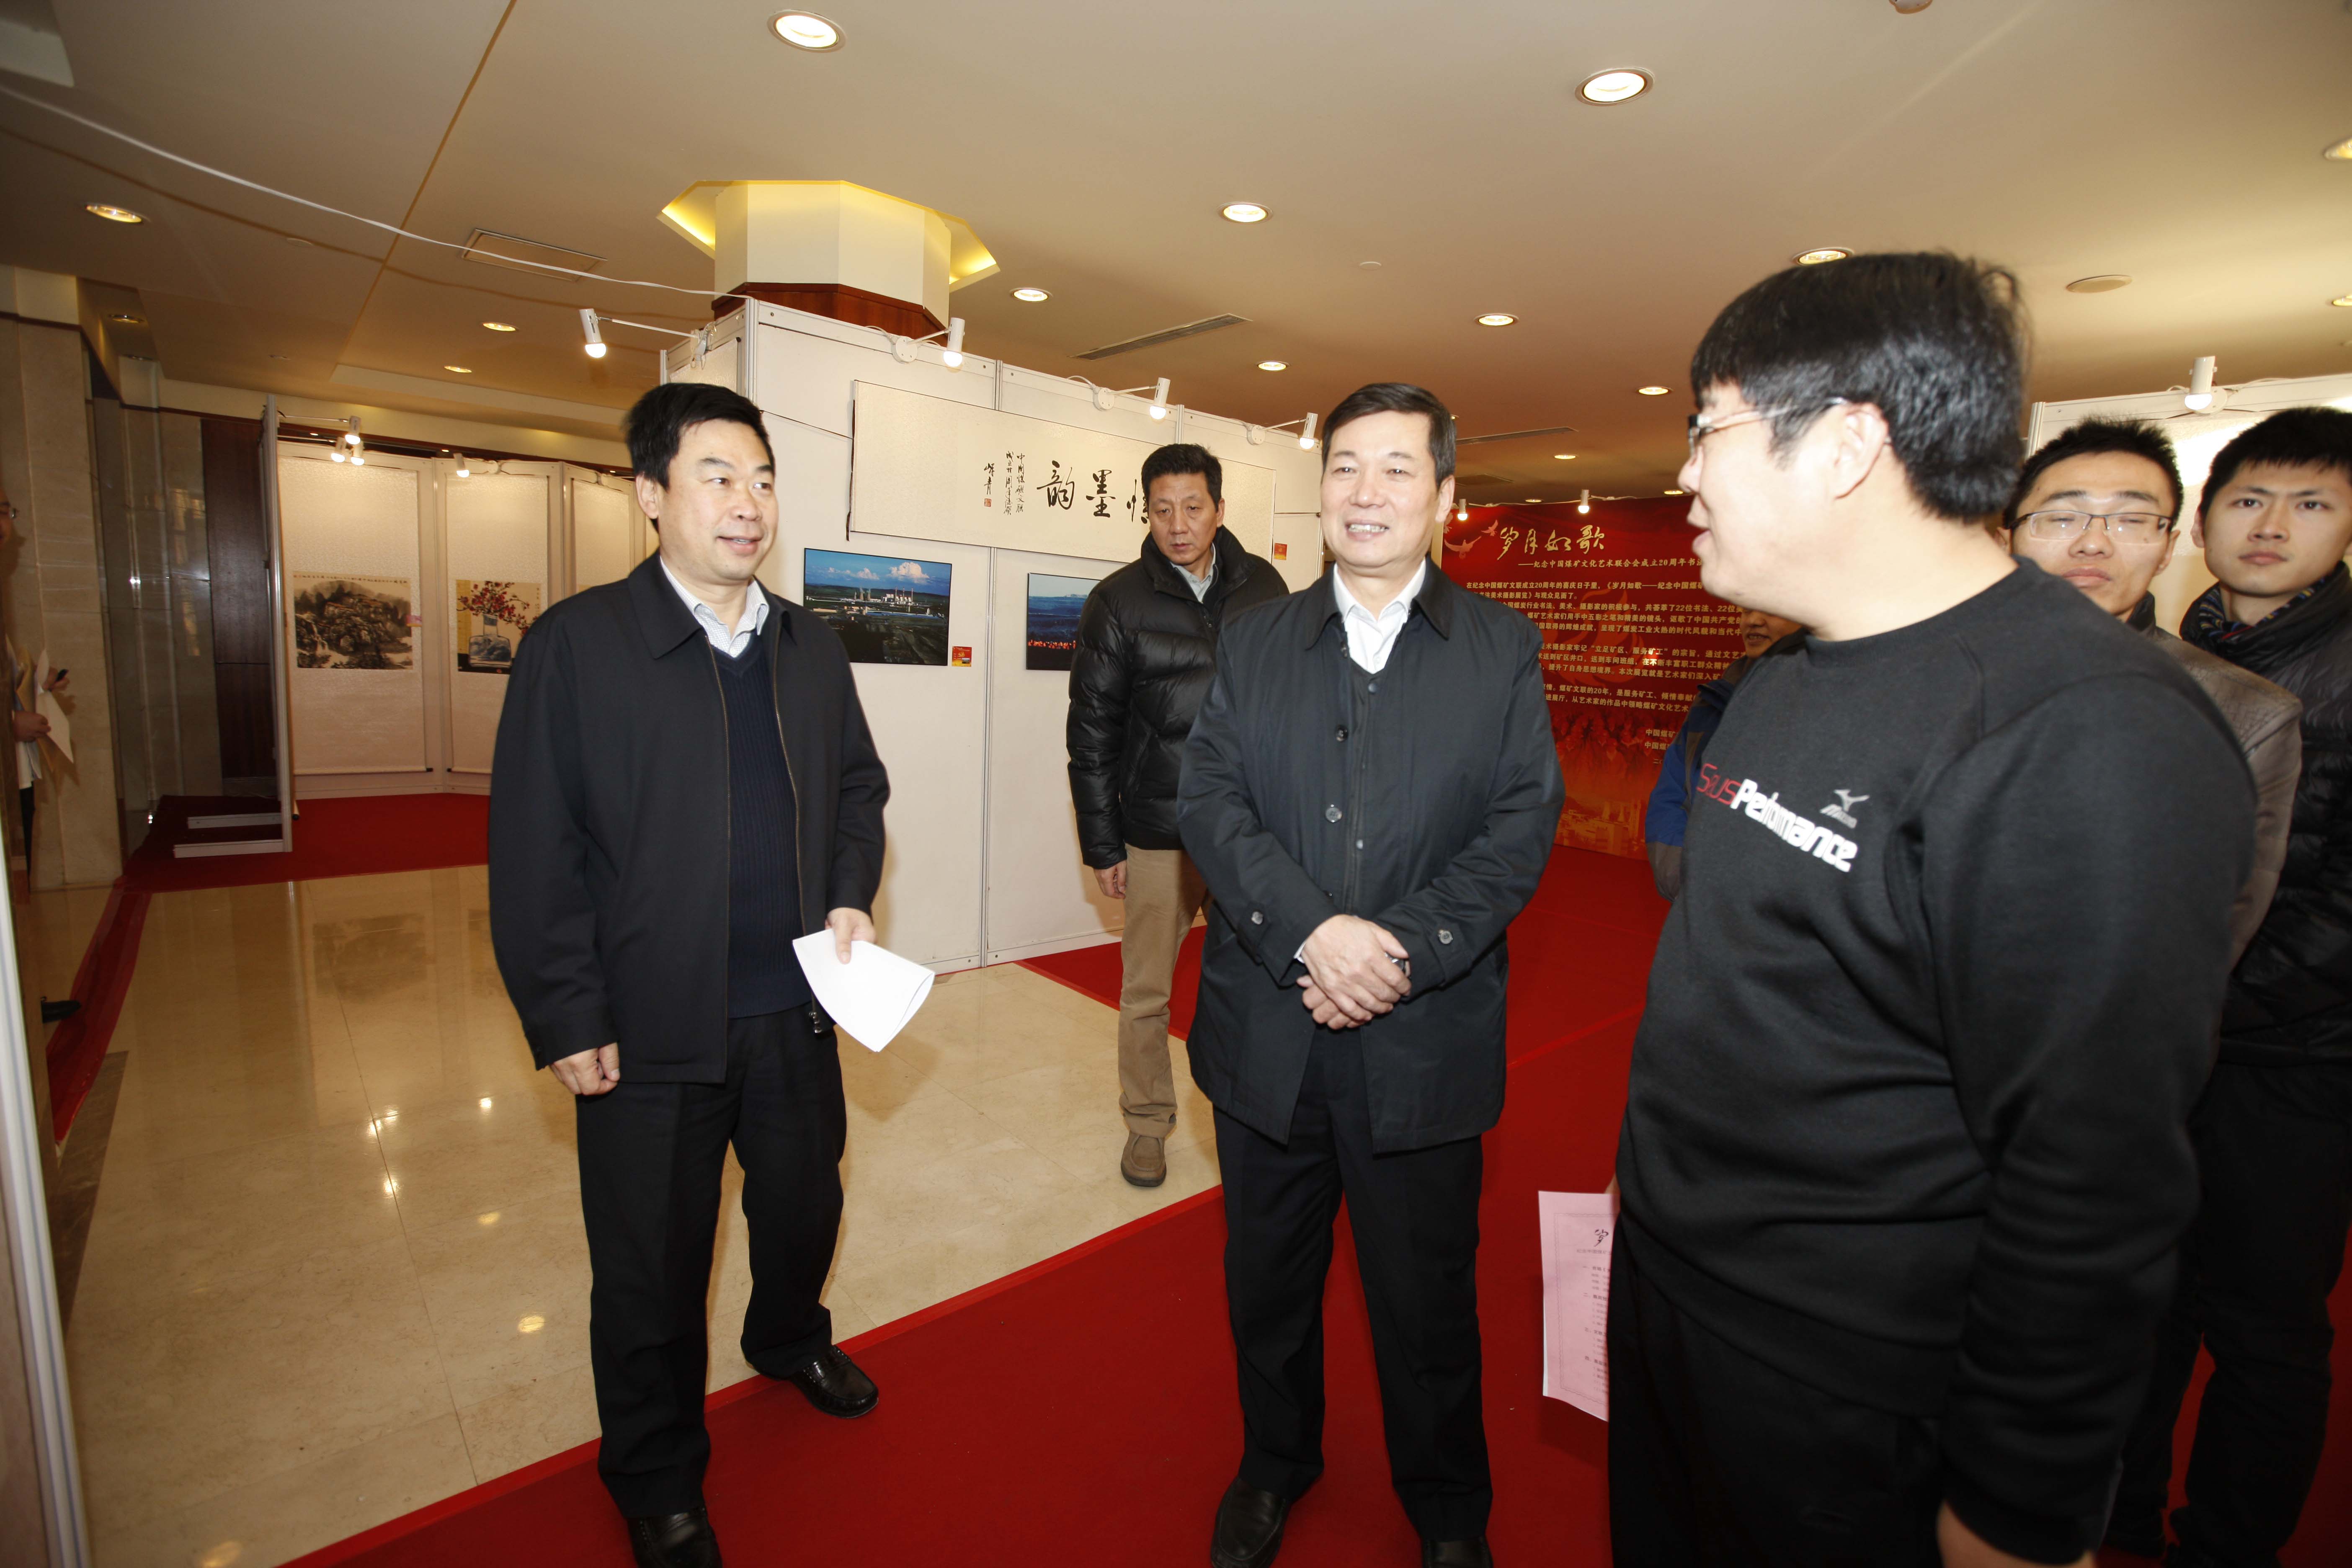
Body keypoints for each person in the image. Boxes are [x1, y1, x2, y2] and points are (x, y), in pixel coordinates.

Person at [1608, 253, 2254, 1568]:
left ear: (1847, 443)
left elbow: (2092, 1171)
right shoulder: (1782, 682)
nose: (1685, 474)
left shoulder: (2089, 732)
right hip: (1676, 1288)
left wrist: (2019, 1507)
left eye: (1709, 429)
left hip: (1854, 1374)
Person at [489, 381, 890, 1568]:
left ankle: (788, 1335)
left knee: (804, 1205)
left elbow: (857, 789)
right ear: (651, 494)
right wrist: (567, 1008)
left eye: (762, 479)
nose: (747, 502)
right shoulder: (578, 647)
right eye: (717, 476)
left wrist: (849, 891)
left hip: (794, 1009)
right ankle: (656, 1472)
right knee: (651, 1268)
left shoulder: (808, 645)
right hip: (648, 1027)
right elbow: (535, 845)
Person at [1179, 382, 1564, 1568]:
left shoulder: (1500, 648)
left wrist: (1395, 952)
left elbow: (1517, 830)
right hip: (1268, 1029)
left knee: (1426, 1296)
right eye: (1346, 464)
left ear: (1444, 495)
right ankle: (1275, 1462)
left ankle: (1448, 1508)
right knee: (1267, 1284)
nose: (1367, 491)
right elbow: (1211, 801)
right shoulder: (1255, 638)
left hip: (1422, 1041)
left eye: (1398, 468)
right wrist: (1313, 933)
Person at [2112, 406, 2352, 1568]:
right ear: (2202, 521)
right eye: (2249, 499)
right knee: (2139, 1291)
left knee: (2265, 1325)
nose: (2272, 526)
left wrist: (2212, 1005)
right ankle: (2120, 1513)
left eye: (2312, 504)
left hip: (2292, 1056)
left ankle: (2227, 1542)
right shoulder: (2165, 654)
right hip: (2159, 1041)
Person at [1066, 442, 1286, 1186]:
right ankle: (1147, 1123)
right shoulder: (1118, 600)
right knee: (1147, 992)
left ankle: (1254, 1112)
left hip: (1249, 830)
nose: (1179, 524)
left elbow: (1292, 709)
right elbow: (1091, 732)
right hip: (1158, 831)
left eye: (1193, 507)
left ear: (1220, 509)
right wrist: (1103, 843)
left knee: (1262, 981)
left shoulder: (1266, 587)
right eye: (1162, 509)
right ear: (1147, 512)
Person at [2004, 417, 2300, 962]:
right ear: (2008, 539)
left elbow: (2212, 928)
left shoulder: (2244, 713)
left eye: (2132, 520)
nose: (2093, 543)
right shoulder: (1929, 669)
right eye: (2061, 518)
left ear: (2167, 548)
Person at [1641, 605, 1800, 900]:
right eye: (1746, 610)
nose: (1753, 621)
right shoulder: (1712, 700)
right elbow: (1673, 793)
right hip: (1697, 897)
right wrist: (1682, 877)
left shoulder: (1830, 709)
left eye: (1770, 609)